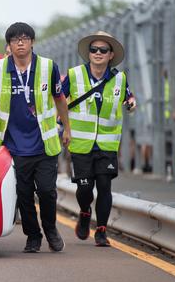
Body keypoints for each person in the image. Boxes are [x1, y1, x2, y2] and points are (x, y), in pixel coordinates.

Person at [0, 22, 70, 253]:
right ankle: (33, 236)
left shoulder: (48, 67)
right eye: (15, 39)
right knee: (24, 195)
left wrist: (67, 127)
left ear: (32, 42)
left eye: (25, 38)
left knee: (47, 191)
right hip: (14, 144)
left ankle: (51, 229)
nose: (20, 43)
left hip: (44, 142)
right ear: (9, 44)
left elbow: (59, 99)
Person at [63, 31, 136, 247]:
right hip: (80, 143)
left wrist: (131, 103)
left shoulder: (119, 79)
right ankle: (85, 213)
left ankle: (102, 231)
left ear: (111, 54)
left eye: (103, 50)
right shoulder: (74, 75)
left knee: (104, 185)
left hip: (107, 143)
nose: (97, 53)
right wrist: (60, 121)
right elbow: (59, 98)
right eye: (94, 49)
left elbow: (129, 97)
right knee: (85, 188)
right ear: (89, 53)